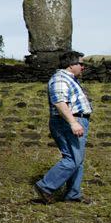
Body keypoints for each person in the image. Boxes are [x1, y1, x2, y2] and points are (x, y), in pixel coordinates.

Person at [34, 50, 93, 204]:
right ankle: (46, 186)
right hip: (67, 122)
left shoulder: (69, 79)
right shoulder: (60, 79)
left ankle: (73, 194)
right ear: (70, 64)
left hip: (74, 121)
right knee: (73, 159)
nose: (83, 67)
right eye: (81, 64)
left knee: (77, 160)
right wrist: (73, 122)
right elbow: (60, 102)